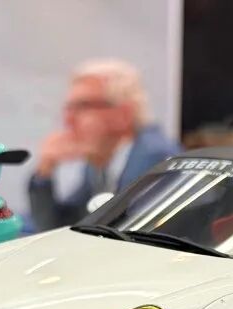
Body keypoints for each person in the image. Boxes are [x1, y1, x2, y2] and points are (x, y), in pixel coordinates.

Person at [28, 59, 180, 230]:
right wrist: (45, 170)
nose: (68, 120)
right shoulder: (99, 160)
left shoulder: (158, 160)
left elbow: (131, 235)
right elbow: (62, 227)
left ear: (123, 114)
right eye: (68, 108)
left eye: (83, 107)